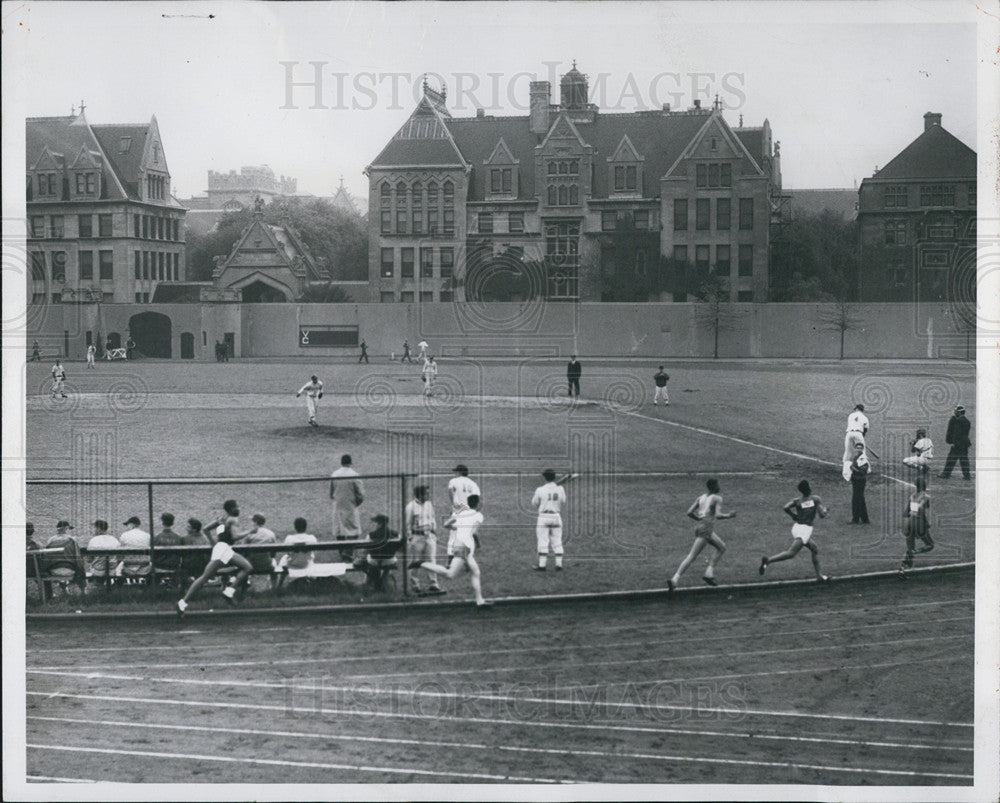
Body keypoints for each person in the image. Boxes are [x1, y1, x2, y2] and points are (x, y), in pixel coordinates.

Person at [411, 494, 491, 607]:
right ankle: (422, 564)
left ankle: (480, 601)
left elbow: (446, 524)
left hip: (459, 545)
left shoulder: (461, 513)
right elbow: (473, 532)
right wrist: (477, 543)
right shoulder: (478, 516)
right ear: (477, 504)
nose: (482, 504)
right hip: (464, 547)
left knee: (476, 572)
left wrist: (459, 528)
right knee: (450, 574)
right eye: (481, 502)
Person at [667, 478, 735, 593]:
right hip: (706, 529)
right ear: (713, 486)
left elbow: (689, 512)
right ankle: (675, 579)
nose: (719, 487)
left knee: (722, 547)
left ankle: (709, 573)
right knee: (692, 556)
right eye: (717, 485)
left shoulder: (701, 497)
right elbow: (717, 515)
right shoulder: (717, 498)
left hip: (699, 527)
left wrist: (698, 518)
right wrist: (729, 515)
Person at [177, 516, 254, 614]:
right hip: (223, 549)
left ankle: (183, 602)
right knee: (246, 567)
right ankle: (228, 590)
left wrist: (214, 543)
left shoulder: (222, 521)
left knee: (246, 567)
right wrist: (250, 531)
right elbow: (234, 537)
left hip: (223, 549)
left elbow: (206, 529)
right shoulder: (230, 521)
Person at [759, 480, 829, 581]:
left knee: (814, 548)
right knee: (791, 553)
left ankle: (819, 576)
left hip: (797, 527)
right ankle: (768, 561)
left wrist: (793, 515)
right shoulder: (815, 499)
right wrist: (826, 510)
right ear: (809, 488)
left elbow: (786, 507)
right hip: (805, 530)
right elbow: (822, 515)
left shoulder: (798, 501)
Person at [405, 484, 444, 596]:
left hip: (429, 536)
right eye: (426, 493)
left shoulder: (429, 504)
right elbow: (407, 524)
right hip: (417, 537)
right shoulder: (410, 507)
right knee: (415, 561)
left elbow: (432, 518)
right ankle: (415, 586)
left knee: (431, 560)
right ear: (420, 494)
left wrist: (434, 533)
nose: (428, 495)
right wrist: (410, 538)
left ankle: (433, 584)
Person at [356, 514, 402, 592]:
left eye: (376, 523)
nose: (375, 525)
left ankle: (368, 583)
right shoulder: (396, 534)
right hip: (389, 560)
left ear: (379, 523)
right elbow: (401, 549)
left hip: (374, 561)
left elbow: (365, 550)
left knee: (368, 559)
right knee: (389, 562)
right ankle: (383, 580)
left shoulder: (371, 535)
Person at [532, 469, 567, 571]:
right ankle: (559, 565)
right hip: (556, 516)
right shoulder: (560, 489)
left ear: (545, 477)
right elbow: (563, 501)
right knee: (557, 540)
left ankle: (542, 565)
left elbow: (534, 503)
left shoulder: (540, 490)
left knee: (543, 540)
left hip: (543, 517)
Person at [331, 454, 365, 558]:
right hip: (350, 505)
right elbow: (361, 494)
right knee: (354, 529)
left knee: (339, 529)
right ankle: (348, 552)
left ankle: (342, 552)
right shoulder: (354, 475)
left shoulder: (334, 474)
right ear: (350, 463)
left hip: (338, 505)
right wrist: (356, 503)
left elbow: (331, 492)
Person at [900, 476, 934, 572]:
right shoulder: (927, 497)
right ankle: (915, 552)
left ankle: (903, 568)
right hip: (919, 523)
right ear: (925, 486)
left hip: (909, 523)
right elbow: (926, 513)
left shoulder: (912, 497)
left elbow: (906, 513)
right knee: (930, 545)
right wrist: (927, 524)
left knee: (910, 546)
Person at [237, 513, 279, 588]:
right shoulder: (270, 534)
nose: (251, 523)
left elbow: (242, 551)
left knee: (243, 560)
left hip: (250, 566)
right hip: (267, 565)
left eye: (252, 521)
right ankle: (274, 587)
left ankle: (244, 584)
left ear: (256, 522)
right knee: (274, 561)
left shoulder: (249, 534)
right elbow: (273, 553)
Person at [276, 517, 319, 587]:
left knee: (284, 559)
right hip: (307, 563)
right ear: (306, 527)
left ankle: (280, 584)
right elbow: (314, 551)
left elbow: (287, 553)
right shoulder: (311, 538)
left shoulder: (289, 538)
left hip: (292, 564)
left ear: (295, 527)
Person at [939, 406, 972, 480]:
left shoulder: (958, 421)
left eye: (956, 411)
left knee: (951, 459)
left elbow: (957, 434)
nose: (954, 412)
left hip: (958, 444)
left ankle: (946, 474)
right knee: (964, 460)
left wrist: (954, 443)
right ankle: (967, 476)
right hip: (964, 444)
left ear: (959, 412)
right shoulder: (967, 421)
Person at [842, 404, 869, 481]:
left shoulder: (851, 415)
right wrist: (861, 438)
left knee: (847, 452)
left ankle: (845, 471)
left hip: (849, 434)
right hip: (859, 433)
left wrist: (854, 439)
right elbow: (866, 429)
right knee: (862, 452)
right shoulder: (865, 418)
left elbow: (852, 425)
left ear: (857, 409)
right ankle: (864, 468)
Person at [180, 518, 211, 582]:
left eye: (188, 527)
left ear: (194, 529)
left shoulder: (185, 538)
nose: (186, 528)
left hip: (190, 565)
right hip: (203, 565)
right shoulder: (204, 538)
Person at [153, 513, 183, 579]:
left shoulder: (156, 537)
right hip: (174, 566)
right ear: (172, 523)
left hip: (159, 566)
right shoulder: (178, 537)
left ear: (162, 522)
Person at [848, 442, 871, 525]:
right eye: (857, 448)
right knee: (859, 499)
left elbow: (862, 472)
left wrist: (853, 468)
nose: (858, 449)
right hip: (855, 480)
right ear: (855, 448)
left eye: (860, 448)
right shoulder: (856, 457)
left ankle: (857, 519)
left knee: (857, 499)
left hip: (860, 481)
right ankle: (863, 519)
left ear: (862, 449)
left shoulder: (863, 459)